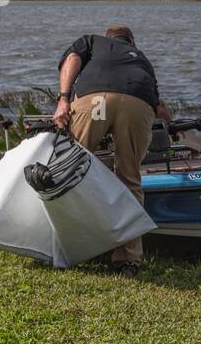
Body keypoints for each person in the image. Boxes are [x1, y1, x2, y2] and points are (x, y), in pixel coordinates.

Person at [52, 25, 169, 274]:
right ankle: (128, 259)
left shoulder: (92, 42)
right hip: (137, 105)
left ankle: (65, 247)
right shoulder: (142, 59)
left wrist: (63, 98)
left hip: (96, 100)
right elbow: (159, 107)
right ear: (132, 41)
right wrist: (177, 127)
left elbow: (72, 58)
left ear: (109, 38)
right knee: (129, 178)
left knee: (73, 170)